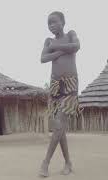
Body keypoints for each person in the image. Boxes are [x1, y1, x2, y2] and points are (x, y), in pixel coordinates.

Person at [39, 11, 81, 177]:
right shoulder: (48, 40)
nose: (51, 26)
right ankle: (68, 163)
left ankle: (45, 162)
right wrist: (63, 51)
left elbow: (76, 46)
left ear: (63, 22)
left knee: (59, 123)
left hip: (70, 83)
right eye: (49, 23)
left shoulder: (70, 34)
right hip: (55, 85)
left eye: (54, 22)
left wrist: (55, 48)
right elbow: (43, 58)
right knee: (59, 126)